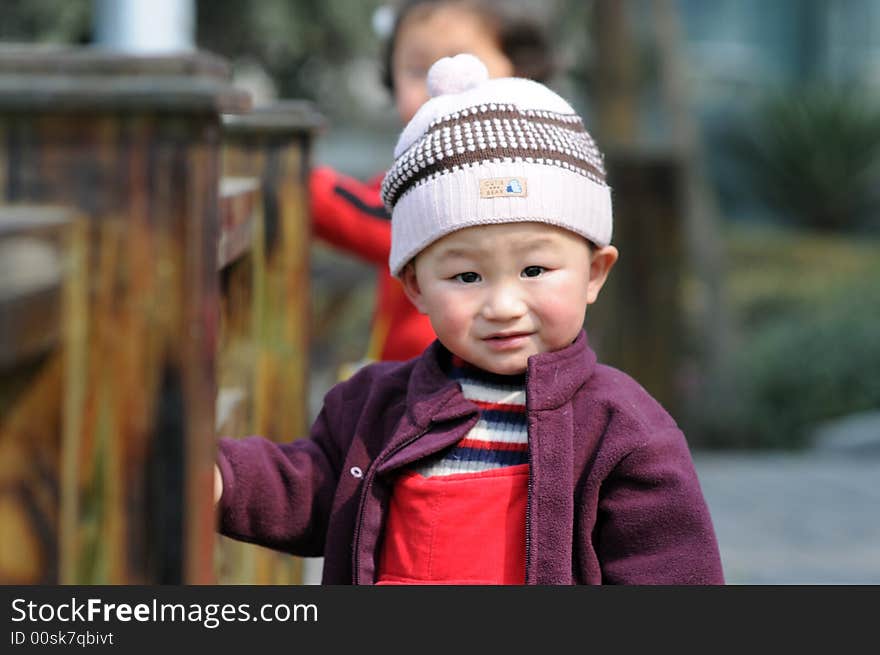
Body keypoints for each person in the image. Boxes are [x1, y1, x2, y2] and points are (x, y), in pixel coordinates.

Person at [215, 54, 725, 585]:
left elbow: (671, 570)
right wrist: (219, 479)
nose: (502, 305)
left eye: (534, 269)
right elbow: (312, 487)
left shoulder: (621, 429)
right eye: (466, 277)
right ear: (415, 286)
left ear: (594, 273)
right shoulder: (375, 406)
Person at [309, 0, 554, 363]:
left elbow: (383, 223)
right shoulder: (413, 167)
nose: (440, 86)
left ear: (520, 72)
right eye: (418, 70)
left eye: (465, 64)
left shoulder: (507, 170)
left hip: (458, 381)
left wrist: (299, 183)